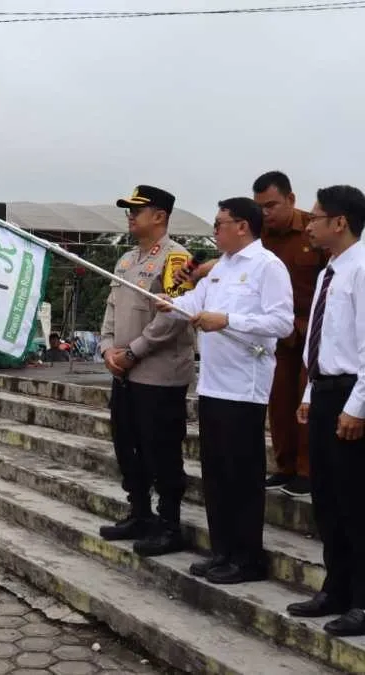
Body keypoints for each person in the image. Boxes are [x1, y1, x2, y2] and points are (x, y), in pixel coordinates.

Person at [159, 197, 293, 584]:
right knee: (216, 474)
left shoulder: (267, 266)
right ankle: (223, 551)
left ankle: (248, 558)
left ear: (242, 226)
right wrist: (170, 304)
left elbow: (282, 322)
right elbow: (195, 302)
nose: (215, 231)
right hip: (213, 384)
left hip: (244, 388)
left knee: (241, 476)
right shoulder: (220, 268)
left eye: (220, 224)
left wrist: (228, 319)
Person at [179, 172, 324, 498]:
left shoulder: (312, 229)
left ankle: (307, 470)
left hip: (312, 332)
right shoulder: (254, 240)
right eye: (260, 207)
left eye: (271, 205)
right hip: (270, 337)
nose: (265, 213)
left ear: (291, 199)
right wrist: (198, 275)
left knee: (308, 402)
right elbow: (230, 265)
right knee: (280, 403)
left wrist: (227, 319)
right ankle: (285, 466)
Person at [97, 185, 196, 557]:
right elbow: (111, 309)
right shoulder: (126, 261)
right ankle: (139, 512)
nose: (130, 216)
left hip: (158, 374)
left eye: (137, 210)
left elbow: (173, 318)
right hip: (124, 372)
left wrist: (133, 352)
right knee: (127, 445)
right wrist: (107, 349)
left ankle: (169, 524)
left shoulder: (177, 258)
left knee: (161, 450)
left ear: (159, 216)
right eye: (129, 210)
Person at [286, 185, 365, 636]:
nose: (309, 225)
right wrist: (310, 394)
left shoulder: (361, 270)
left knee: (355, 501)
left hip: (353, 394)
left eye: (316, 217)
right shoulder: (329, 272)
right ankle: (335, 588)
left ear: (340, 222)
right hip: (324, 390)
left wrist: (356, 407)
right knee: (327, 500)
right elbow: (325, 340)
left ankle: (361, 600)